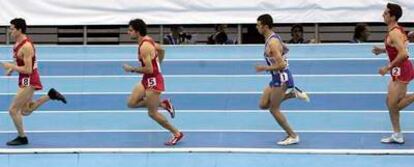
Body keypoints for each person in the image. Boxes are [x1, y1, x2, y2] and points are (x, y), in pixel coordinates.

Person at [1, 18, 67, 146]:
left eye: (12, 29)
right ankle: (50, 95)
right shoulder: (17, 43)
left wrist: (10, 66)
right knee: (25, 110)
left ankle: (22, 137)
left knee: (13, 110)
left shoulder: (26, 46)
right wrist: (11, 69)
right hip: (24, 78)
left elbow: (28, 69)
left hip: (29, 78)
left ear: (19, 30)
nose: (10, 31)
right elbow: (20, 61)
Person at [122, 18, 183, 146]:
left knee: (152, 113)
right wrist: (158, 64)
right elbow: (161, 50)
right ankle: (163, 103)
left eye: (130, 30)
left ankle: (177, 133)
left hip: (153, 81)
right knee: (131, 103)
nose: (128, 33)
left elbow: (149, 69)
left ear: (137, 31)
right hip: (147, 78)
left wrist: (132, 69)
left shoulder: (144, 47)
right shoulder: (147, 40)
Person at [255, 14, 310, 145]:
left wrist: (264, 68)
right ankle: (293, 94)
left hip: (281, 78)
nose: (256, 27)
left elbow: (281, 65)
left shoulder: (272, 42)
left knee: (273, 109)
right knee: (263, 104)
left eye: (258, 25)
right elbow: (285, 49)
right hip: (276, 77)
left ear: (265, 26)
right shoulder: (273, 38)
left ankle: (293, 135)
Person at [372, 3, 414, 144]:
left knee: (393, 105)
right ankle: (397, 134)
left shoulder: (394, 32)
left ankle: (397, 134)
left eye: (385, 14)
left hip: (401, 69)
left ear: (393, 16)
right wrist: (382, 50)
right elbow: (396, 48)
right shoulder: (396, 30)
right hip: (400, 69)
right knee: (390, 103)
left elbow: (403, 53)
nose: (383, 15)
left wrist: (387, 67)